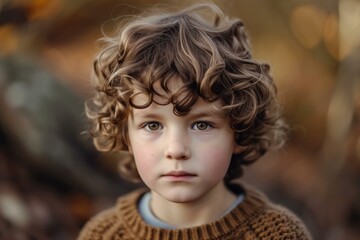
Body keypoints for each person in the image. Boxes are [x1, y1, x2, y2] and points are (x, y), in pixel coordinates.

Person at [78, 2, 312, 239]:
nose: (176, 150)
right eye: (153, 125)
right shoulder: (102, 235)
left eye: (202, 125)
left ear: (239, 132)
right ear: (125, 134)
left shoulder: (279, 234)